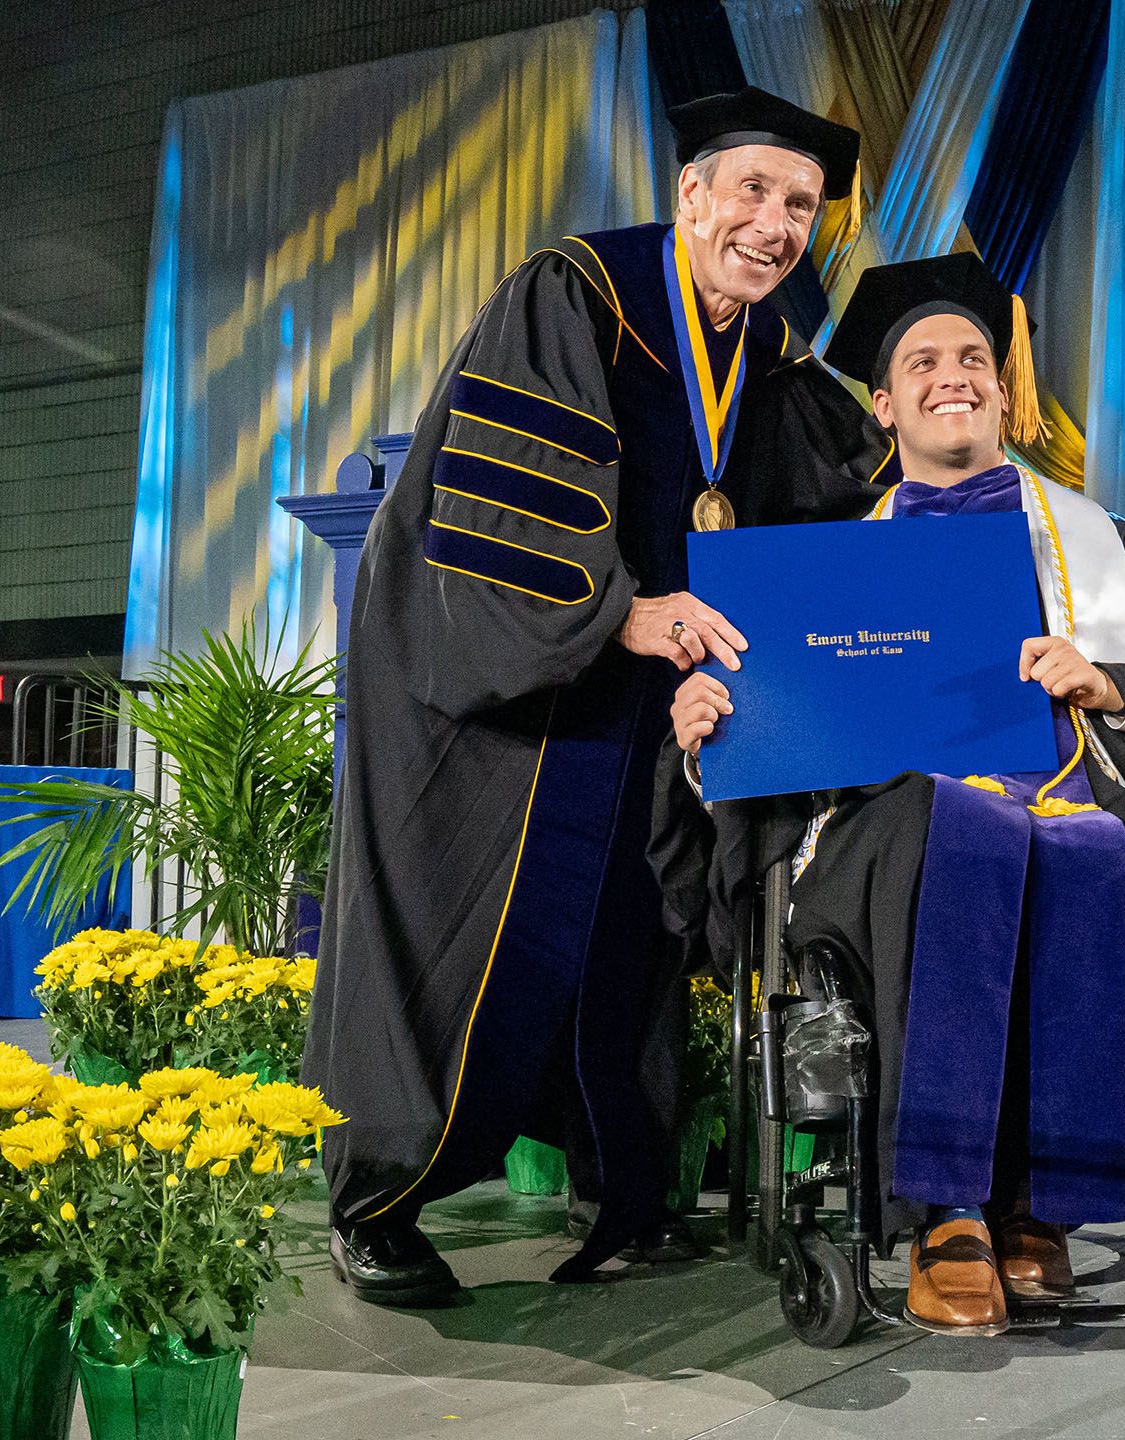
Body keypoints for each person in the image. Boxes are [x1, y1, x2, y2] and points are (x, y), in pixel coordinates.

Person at [656, 253, 1125, 1336]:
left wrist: (1116, 683)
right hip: (888, 839)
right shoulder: (819, 569)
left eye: (972, 359)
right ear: (883, 402)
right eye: (921, 361)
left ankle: (1044, 1206)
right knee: (941, 829)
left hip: (1072, 808)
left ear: (1005, 394)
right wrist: (704, 738)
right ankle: (949, 1208)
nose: (950, 375)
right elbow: (759, 753)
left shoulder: (1110, 555)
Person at [306, 86, 885, 1305]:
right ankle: (381, 1201)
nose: (775, 226)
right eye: (753, 192)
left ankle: (618, 1179)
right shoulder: (577, 294)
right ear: (690, 192)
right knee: (470, 935)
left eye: (800, 206)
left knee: (626, 945)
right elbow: (500, 503)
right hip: (507, 706)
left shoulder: (771, 354)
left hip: (647, 713)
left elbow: (834, 488)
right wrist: (618, 613)